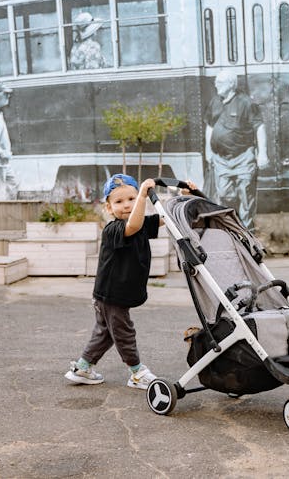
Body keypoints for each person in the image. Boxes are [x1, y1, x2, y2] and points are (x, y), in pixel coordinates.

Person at [65, 173, 197, 389]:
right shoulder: (114, 229)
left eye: (131, 199)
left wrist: (184, 197)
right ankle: (137, 372)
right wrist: (143, 196)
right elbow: (132, 226)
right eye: (118, 201)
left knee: (106, 333)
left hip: (116, 295)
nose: (126, 205)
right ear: (109, 209)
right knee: (124, 333)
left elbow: (168, 217)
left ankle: (82, 367)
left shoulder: (142, 223)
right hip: (111, 296)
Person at [204, 69, 268, 230]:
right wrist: (208, 151)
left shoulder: (247, 103)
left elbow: (259, 127)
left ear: (231, 85)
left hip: (243, 157)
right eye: (216, 82)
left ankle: (248, 235)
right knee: (224, 194)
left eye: (220, 82)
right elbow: (210, 127)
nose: (216, 85)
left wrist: (263, 154)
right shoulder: (215, 102)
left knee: (246, 196)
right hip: (221, 159)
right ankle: (232, 229)